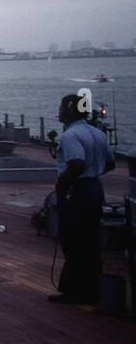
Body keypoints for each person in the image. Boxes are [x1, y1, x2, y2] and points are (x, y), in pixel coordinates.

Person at [50, 93, 116, 304]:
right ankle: (93, 288)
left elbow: (76, 163)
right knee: (91, 239)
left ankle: (75, 291)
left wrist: (63, 182)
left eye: (61, 108)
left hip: (75, 190)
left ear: (69, 110)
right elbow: (111, 163)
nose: (58, 112)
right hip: (94, 188)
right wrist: (92, 174)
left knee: (72, 239)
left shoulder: (70, 136)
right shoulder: (98, 134)